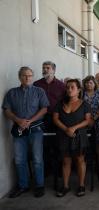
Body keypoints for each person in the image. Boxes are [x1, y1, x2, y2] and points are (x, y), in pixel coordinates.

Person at [2, 66, 49, 198]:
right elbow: (6, 109)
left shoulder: (39, 91)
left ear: (32, 77)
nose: (27, 78)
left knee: (37, 159)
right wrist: (18, 120)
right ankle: (23, 185)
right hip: (19, 130)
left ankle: (39, 185)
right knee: (19, 159)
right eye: (24, 75)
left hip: (36, 129)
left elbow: (44, 108)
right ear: (20, 77)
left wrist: (30, 121)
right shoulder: (12, 93)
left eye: (29, 75)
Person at [53, 79, 92, 197]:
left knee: (80, 160)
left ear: (79, 90)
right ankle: (65, 186)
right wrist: (66, 129)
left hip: (79, 136)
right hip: (64, 136)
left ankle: (81, 185)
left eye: (72, 87)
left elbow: (88, 120)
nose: (69, 89)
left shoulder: (85, 104)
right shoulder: (60, 103)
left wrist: (74, 128)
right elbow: (55, 119)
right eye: (68, 87)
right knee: (66, 161)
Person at [33, 61, 66, 177]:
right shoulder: (36, 84)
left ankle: (59, 172)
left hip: (57, 118)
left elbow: (64, 103)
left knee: (58, 145)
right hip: (41, 119)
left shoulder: (61, 86)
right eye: (43, 67)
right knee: (43, 145)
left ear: (54, 70)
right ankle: (47, 170)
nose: (45, 70)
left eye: (48, 68)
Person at [82, 75, 99, 173]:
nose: (88, 84)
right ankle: (85, 165)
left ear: (94, 84)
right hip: (84, 121)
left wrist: (95, 117)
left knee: (97, 144)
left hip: (97, 121)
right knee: (85, 144)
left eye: (90, 82)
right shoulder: (82, 94)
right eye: (87, 82)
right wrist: (87, 119)